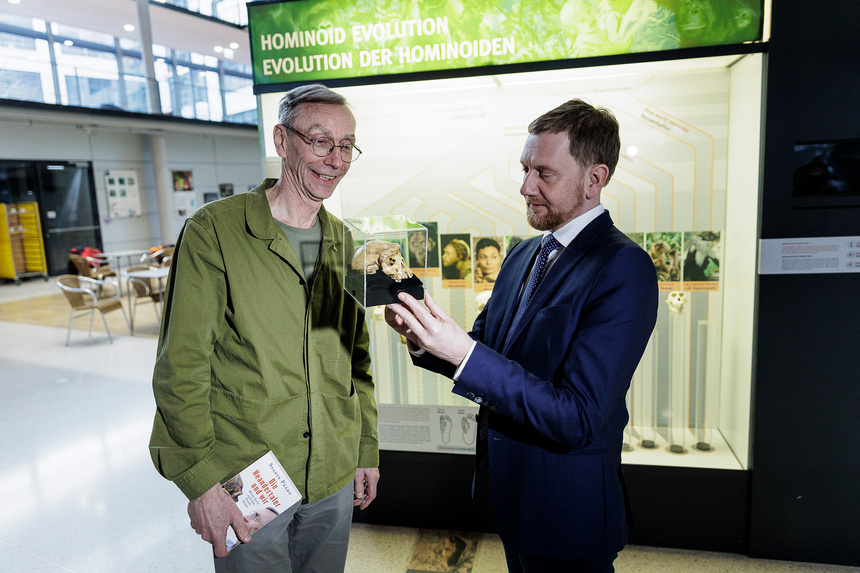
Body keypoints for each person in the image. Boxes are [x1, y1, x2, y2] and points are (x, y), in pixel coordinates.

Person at [385, 99, 658, 572]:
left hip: (569, 514)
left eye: (544, 174)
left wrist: (464, 351)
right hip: (514, 499)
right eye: (524, 168)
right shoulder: (523, 253)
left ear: (595, 179)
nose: (525, 186)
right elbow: (486, 347)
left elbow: (577, 417)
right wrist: (423, 337)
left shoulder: (622, 267)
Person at [149, 83, 380, 572]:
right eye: (319, 141)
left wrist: (365, 447)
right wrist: (201, 481)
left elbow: (355, 358)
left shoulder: (345, 242)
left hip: (333, 472)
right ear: (281, 139)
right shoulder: (215, 231)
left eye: (345, 146)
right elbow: (182, 365)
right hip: (247, 475)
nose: (334, 159)